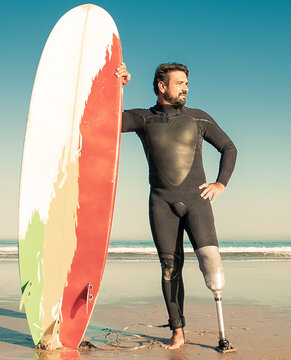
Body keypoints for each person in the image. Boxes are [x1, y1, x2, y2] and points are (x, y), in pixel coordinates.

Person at [115, 62, 237, 349]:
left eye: (186, 83)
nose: (186, 88)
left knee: (212, 266)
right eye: (180, 82)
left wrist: (221, 183)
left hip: (197, 203)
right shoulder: (144, 119)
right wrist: (118, 88)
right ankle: (178, 330)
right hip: (161, 204)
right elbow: (112, 122)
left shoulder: (198, 118)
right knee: (169, 268)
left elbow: (229, 147)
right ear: (162, 86)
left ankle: (222, 334)